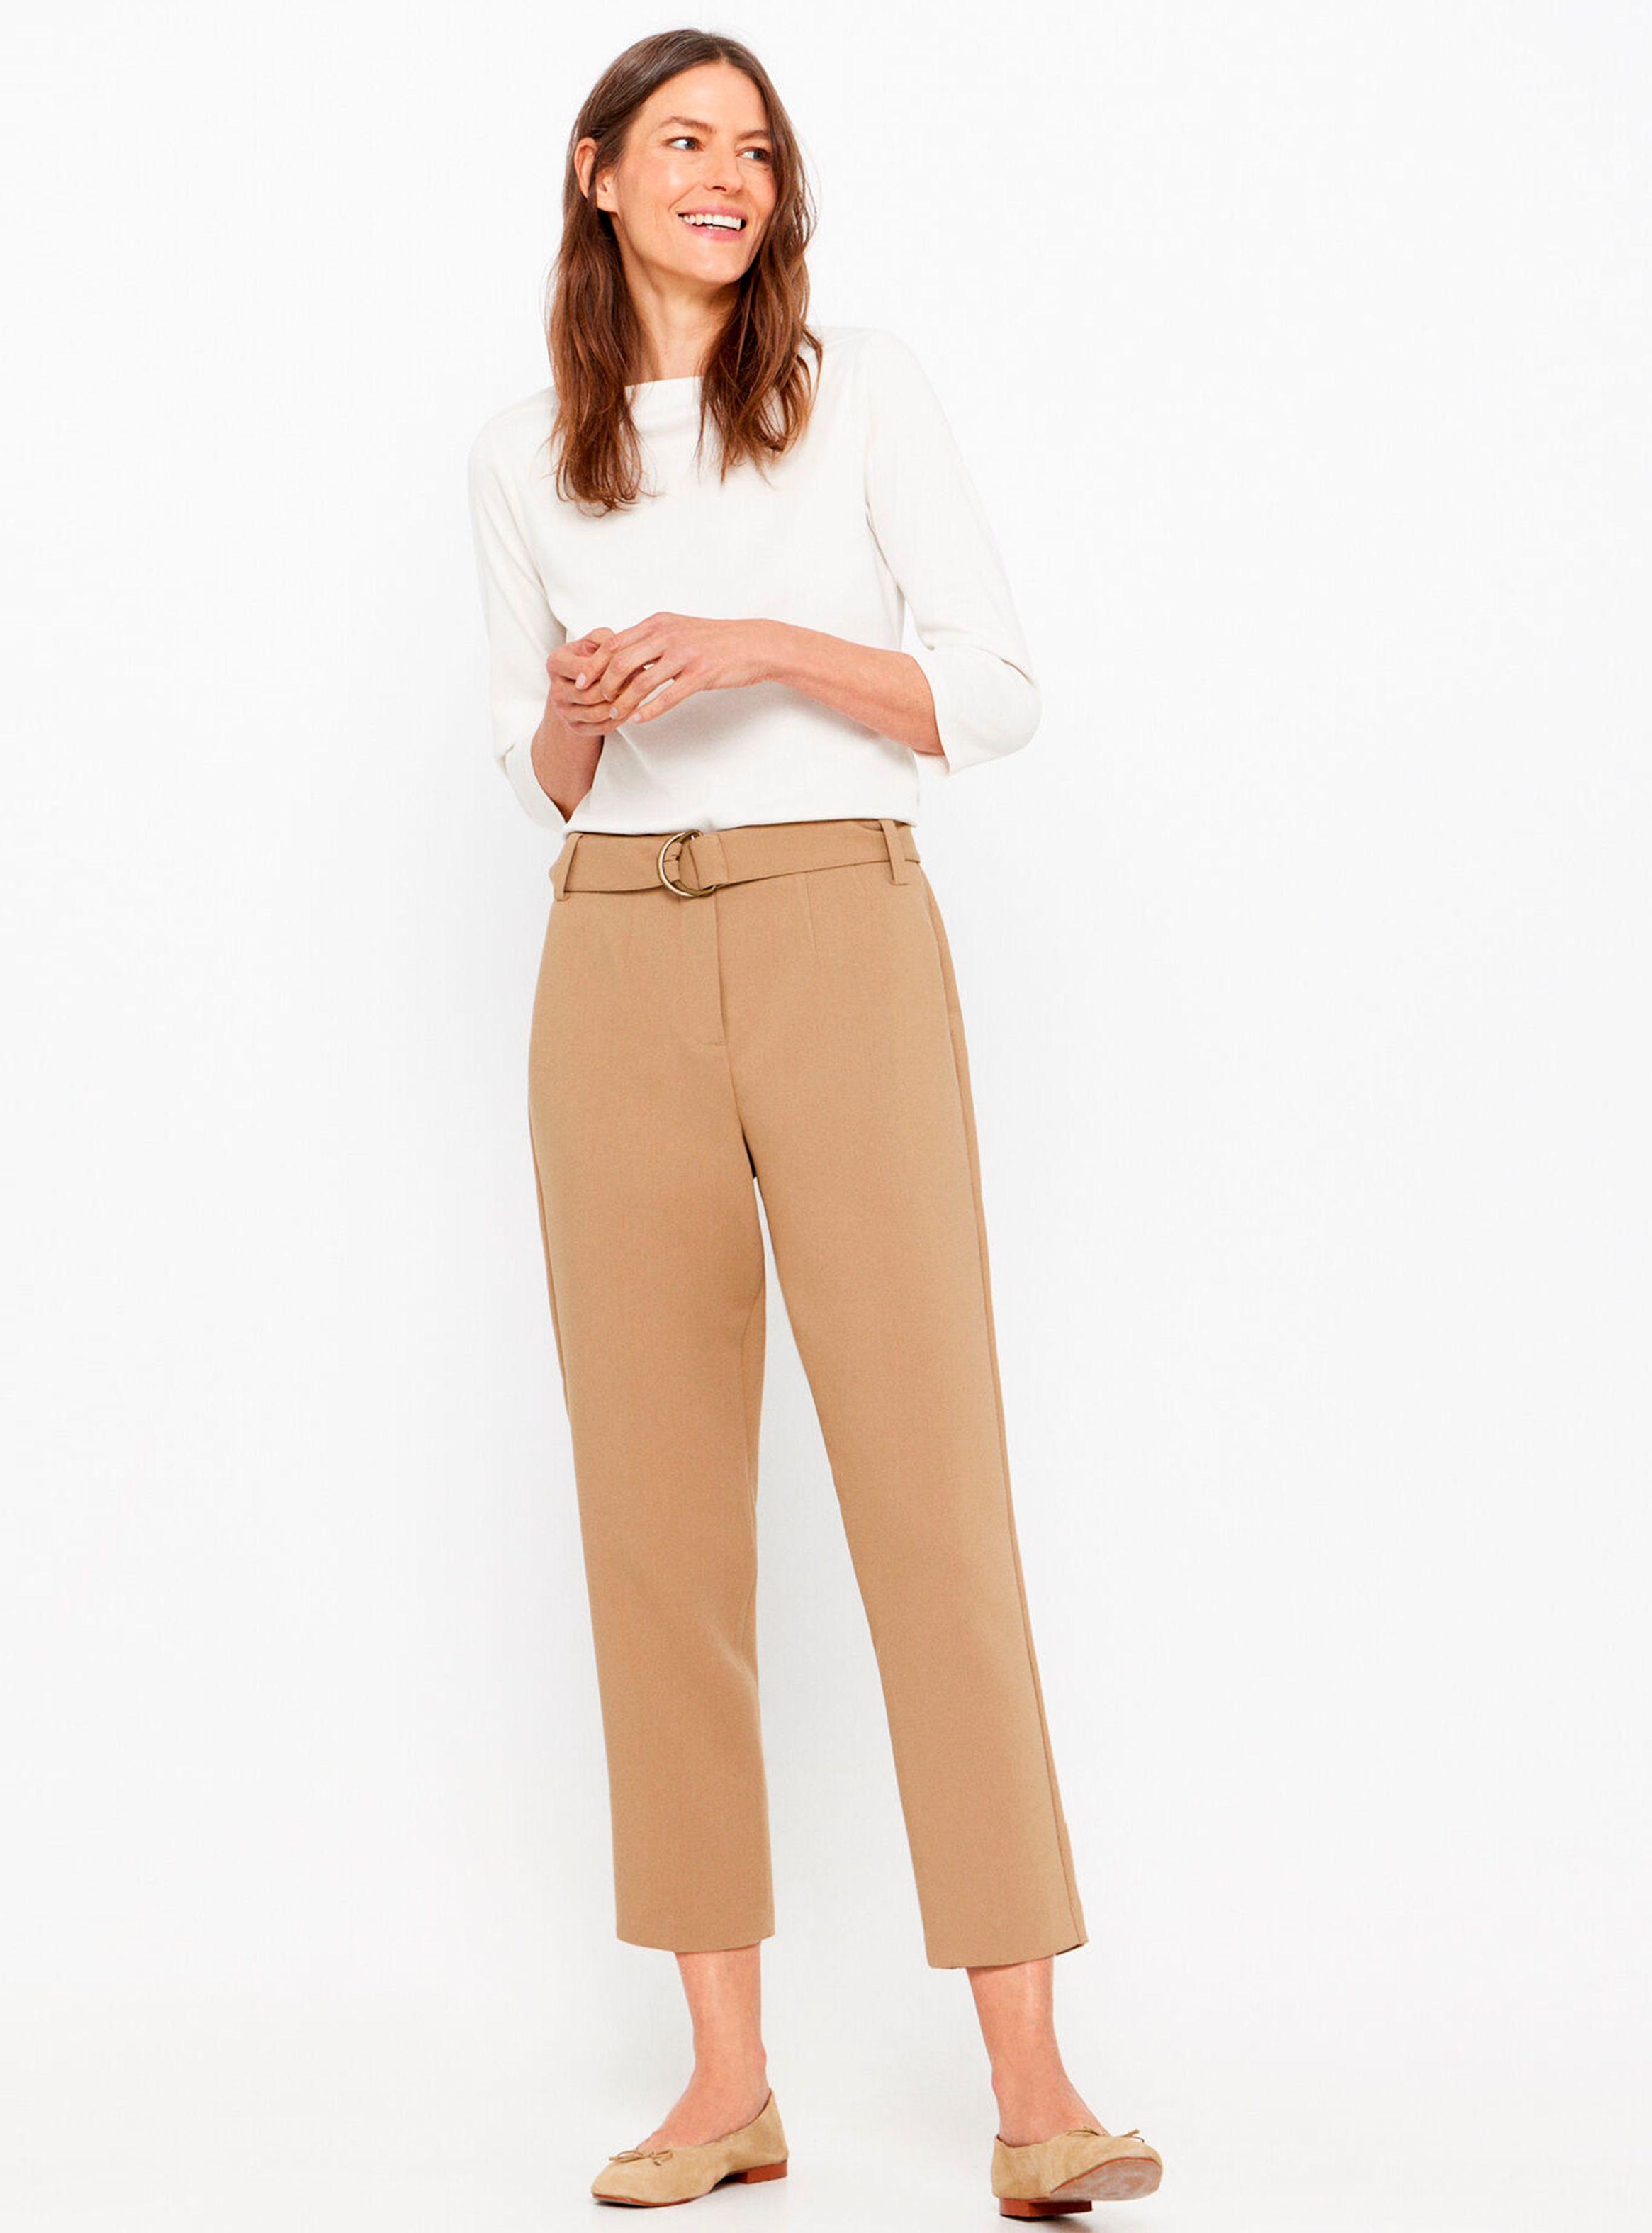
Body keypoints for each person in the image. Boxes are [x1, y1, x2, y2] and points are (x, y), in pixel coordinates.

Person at [465, 27, 1163, 2218]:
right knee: (653, 1522)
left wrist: (759, 642)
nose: (725, 176)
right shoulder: (522, 454)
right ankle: (723, 2080)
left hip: (840, 929)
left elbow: (994, 691)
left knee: (926, 1487)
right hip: (610, 950)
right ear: (595, 174)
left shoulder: (856, 391)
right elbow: (535, 778)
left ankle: (1034, 2084)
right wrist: (579, 709)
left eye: (754, 151)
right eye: (683, 141)